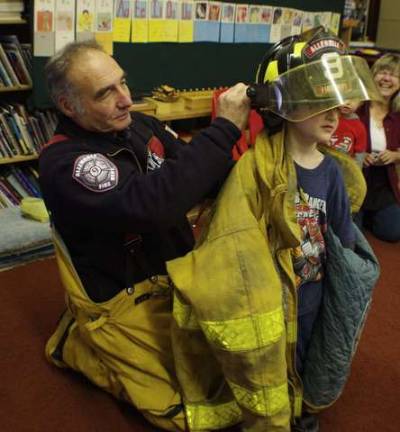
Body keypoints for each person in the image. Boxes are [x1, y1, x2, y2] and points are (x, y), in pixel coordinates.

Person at [167, 27, 380, 432]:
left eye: (336, 104)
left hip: (315, 289)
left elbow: (342, 236)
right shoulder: (256, 170)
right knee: (271, 361)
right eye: (319, 104)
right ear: (286, 104)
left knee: (307, 354)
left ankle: (301, 412)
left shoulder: (334, 172)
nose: (334, 115)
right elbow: (237, 244)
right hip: (274, 296)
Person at [39, 39, 250, 431]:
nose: (125, 100)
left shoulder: (139, 124)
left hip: (175, 271)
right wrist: (223, 129)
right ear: (69, 106)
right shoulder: (65, 163)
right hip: (124, 295)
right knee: (186, 413)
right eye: (106, 93)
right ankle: (77, 341)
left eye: (123, 83)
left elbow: (190, 175)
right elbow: (150, 207)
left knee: (238, 366)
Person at [357, 53, 400, 242]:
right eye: (382, 72)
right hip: (356, 181)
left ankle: (369, 217)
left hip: (384, 185)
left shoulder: (398, 114)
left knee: (392, 233)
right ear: (372, 76)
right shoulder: (356, 108)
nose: (386, 79)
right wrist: (358, 156)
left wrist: (396, 156)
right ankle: (362, 216)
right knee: (351, 235)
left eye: (394, 75)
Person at [329, 99, 367, 164]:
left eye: (353, 99)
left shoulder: (359, 127)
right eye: (344, 97)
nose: (347, 102)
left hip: (345, 168)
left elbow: (359, 154)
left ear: (361, 103)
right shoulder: (328, 119)